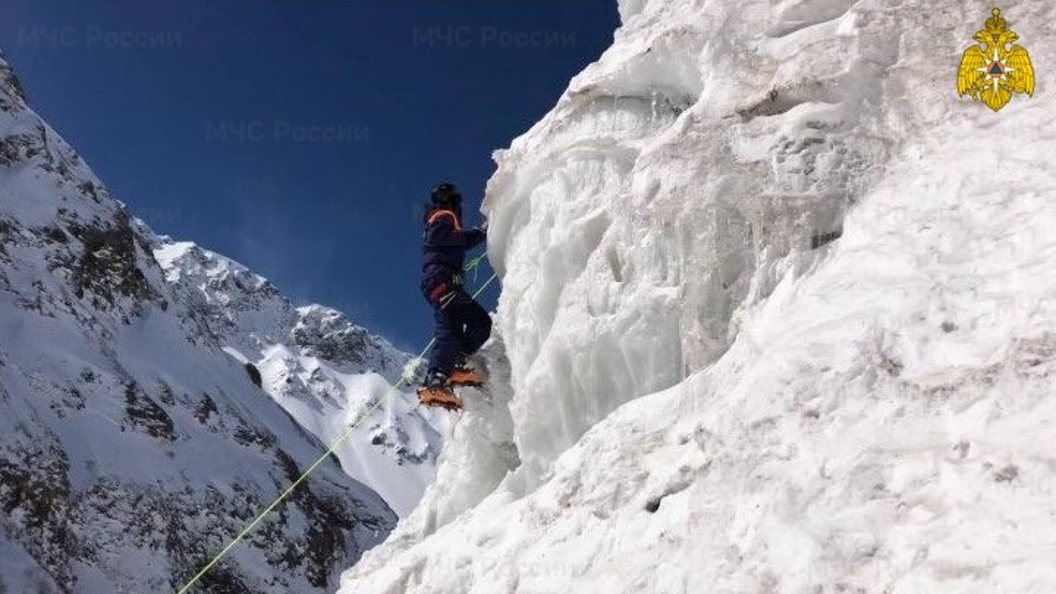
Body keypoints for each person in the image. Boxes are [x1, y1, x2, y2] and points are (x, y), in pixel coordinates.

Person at [417, 182, 492, 409]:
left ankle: (455, 366)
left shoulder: (445, 222)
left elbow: (460, 240)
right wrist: (478, 233)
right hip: (442, 283)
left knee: (473, 324)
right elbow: (442, 238)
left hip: (446, 284)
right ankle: (436, 378)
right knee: (451, 328)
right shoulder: (441, 216)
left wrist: (479, 235)